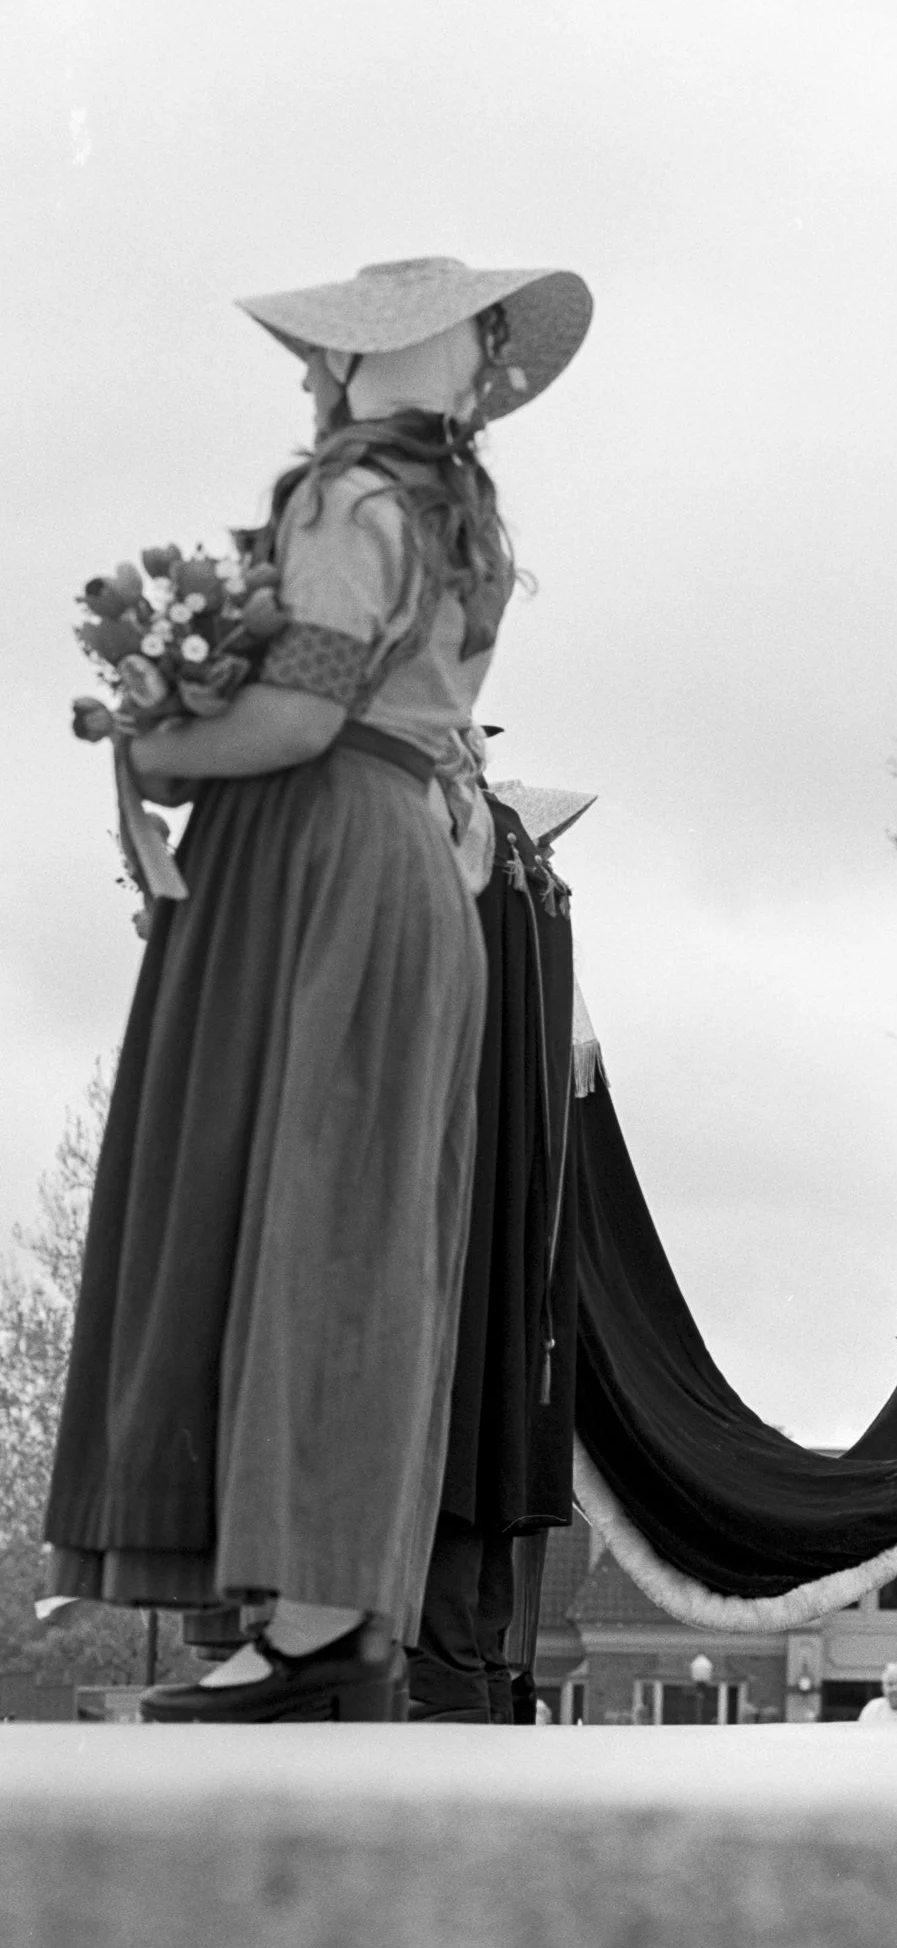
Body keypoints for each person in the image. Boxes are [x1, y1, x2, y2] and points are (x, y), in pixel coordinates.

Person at [43, 256, 593, 1725]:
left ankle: (301, 1625)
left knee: (291, 1213)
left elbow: (298, 713)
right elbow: (425, 720)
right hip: (411, 865)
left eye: (322, 356)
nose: (306, 377)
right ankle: (328, 1608)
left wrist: (155, 754)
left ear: (370, 365)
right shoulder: (460, 525)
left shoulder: (344, 499)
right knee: (357, 1224)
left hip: (319, 864)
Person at [409, 777, 591, 1724]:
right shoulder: (537, 900)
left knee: (459, 1438)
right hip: (517, 1246)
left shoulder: (488, 860)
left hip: (472, 1230)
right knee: (492, 1444)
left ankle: (456, 1679)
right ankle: (474, 1675)